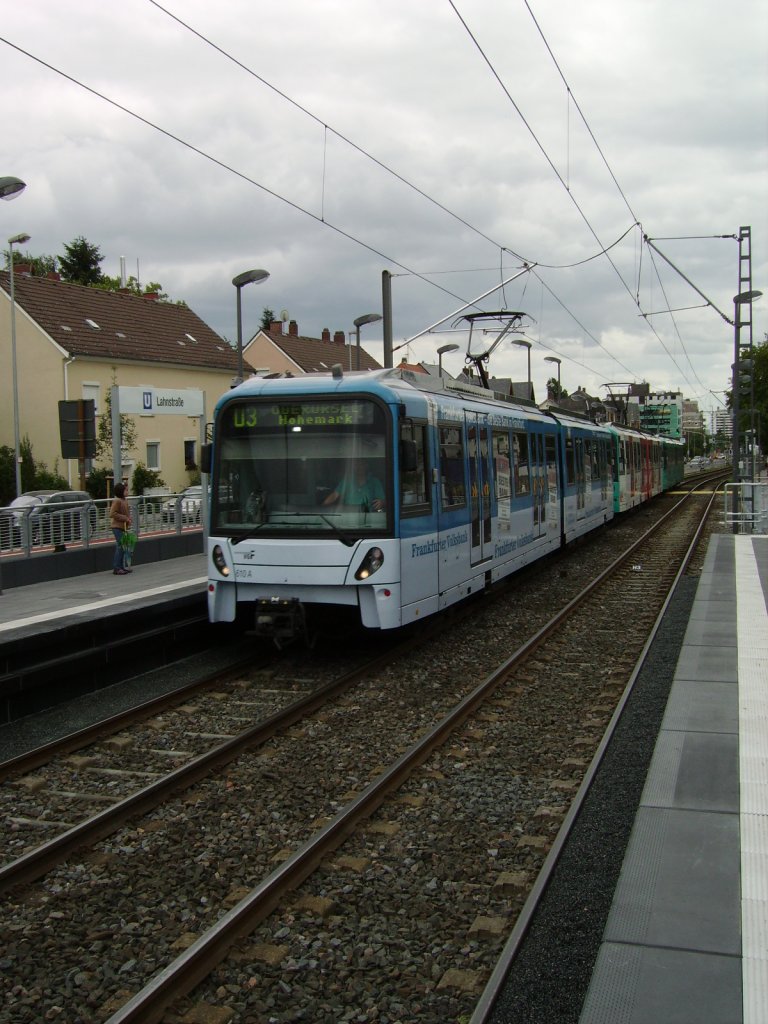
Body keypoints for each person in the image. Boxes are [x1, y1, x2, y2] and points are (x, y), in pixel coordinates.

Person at [110, 482, 132, 575]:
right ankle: (117, 567)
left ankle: (121, 566)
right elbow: (112, 513)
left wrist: (128, 519)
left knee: (123, 547)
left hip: (123, 527)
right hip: (117, 527)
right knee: (121, 546)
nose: (127, 491)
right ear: (121, 491)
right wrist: (125, 518)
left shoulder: (124, 500)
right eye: (126, 490)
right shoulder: (117, 501)